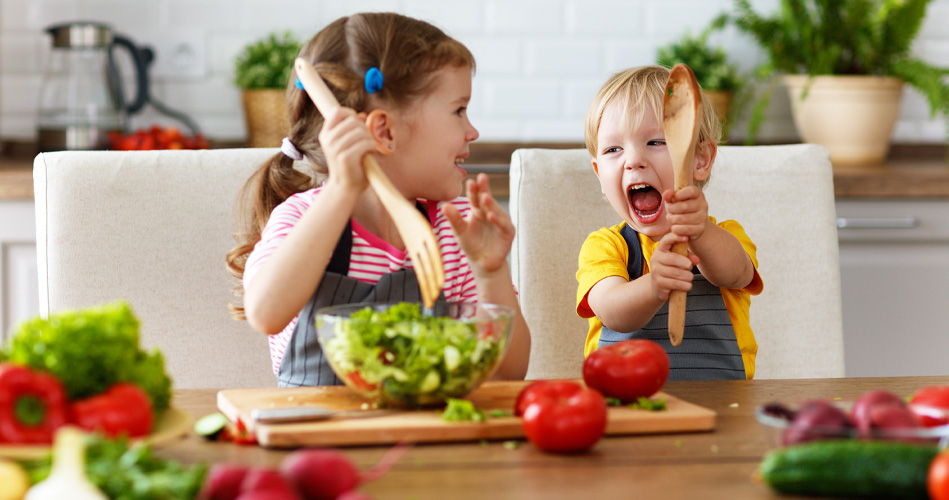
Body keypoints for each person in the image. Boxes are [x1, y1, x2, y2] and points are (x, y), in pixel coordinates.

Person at [226, 13, 530, 386]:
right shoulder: (304, 217)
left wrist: (491, 271)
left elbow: (510, 373)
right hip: (319, 431)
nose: (472, 131)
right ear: (384, 131)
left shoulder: (458, 228)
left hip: (424, 433)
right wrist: (341, 190)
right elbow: (265, 313)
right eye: (459, 110)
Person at [576, 65, 763, 380]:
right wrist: (654, 285)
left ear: (700, 160)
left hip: (723, 403)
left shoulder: (725, 236)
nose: (633, 160)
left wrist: (699, 230)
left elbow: (735, 273)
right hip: (626, 403)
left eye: (656, 142)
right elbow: (611, 311)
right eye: (613, 149)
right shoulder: (606, 246)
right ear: (600, 176)